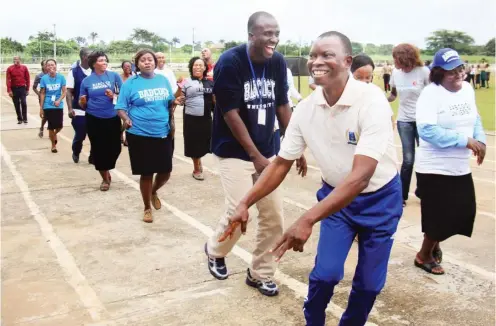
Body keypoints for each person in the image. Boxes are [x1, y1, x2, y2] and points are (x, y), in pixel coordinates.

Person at [221, 31, 401, 326]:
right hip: (336, 201)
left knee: (369, 285)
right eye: (313, 55)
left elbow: (359, 178)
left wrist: (306, 219)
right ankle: (313, 321)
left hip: (380, 199)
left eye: (326, 55)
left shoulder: (372, 101)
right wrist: (245, 202)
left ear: (347, 61)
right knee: (325, 275)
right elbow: (280, 164)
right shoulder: (305, 109)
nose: (317, 62)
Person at [204, 11, 306, 297]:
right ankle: (215, 250)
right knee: (239, 211)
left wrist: (293, 144)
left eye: (276, 33)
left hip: (269, 148)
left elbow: (283, 105)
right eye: (267, 33)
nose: (273, 38)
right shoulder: (230, 62)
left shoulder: (277, 61)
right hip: (235, 151)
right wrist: (255, 156)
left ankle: (260, 273)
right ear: (251, 35)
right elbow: (230, 113)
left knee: (274, 217)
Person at [414, 48, 486, 275]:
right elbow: (427, 131)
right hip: (434, 165)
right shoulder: (430, 94)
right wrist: (464, 140)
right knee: (439, 216)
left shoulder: (467, 89)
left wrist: (481, 141)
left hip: (459, 165)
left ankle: (433, 245)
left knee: (463, 211)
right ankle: (423, 255)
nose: (458, 75)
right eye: (450, 72)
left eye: (460, 69)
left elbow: (475, 117)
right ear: (438, 74)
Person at [116, 49, 184, 223]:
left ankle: (154, 191)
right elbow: (120, 107)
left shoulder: (162, 80)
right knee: (146, 173)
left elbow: (168, 101)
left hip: (162, 131)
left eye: (150, 59)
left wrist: (175, 101)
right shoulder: (130, 83)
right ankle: (147, 207)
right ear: (137, 64)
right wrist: (127, 119)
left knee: (165, 171)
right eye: (143, 60)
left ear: (155, 62)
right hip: (139, 133)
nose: (147, 62)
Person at [388, 43, 430, 206]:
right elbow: (393, 95)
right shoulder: (395, 73)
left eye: (396, 58)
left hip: (423, 121)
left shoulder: (424, 72)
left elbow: (433, 94)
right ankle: (401, 195)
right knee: (408, 160)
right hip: (404, 120)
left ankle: (423, 191)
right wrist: (381, 100)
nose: (394, 62)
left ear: (405, 58)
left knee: (424, 157)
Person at [79, 51, 123, 191]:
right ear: (93, 64)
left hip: (112, 116)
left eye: (105, 60)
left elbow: (124, 95)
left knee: (115, 147)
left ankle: (107, 167)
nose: (104, 63)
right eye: (101, 61)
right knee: (98, 149)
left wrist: (114, 96)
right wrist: (82, 102)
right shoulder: (87, 81)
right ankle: (104, 177)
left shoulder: (114, 76)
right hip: (94, 118)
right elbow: (82, 104)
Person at [182, 57, 215, 180]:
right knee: (193, 143)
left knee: (205, 143)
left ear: (205, 68)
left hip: (206, 118)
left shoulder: (211, 83)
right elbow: (178, 98)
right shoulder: (186, 82)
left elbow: (214, 101)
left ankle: (199, 160)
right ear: (191, 67)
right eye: (195, 65)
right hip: (191, 118)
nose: (198, 67)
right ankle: (196, 167)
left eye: (201, 65)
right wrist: (179, 98)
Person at [67, 48, 93, 164]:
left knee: (95, 135)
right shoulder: (74, 72)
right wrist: (70, 109)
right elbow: (69, 92)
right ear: (83, 57)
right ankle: (76, 151)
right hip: (79, 110)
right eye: (90, 55)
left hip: (94, 110)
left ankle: (93, 156)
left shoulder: (96, 71)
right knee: (80, 135)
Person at [39, 59, 67, 153]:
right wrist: (41, 108)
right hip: (48, 105)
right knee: (51, 126)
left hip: (58, 105)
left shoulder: (61, 77)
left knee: (59, 125)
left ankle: (54, 135)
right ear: (46, 67)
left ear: (56, 66)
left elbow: (64, 92)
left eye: (52, 64)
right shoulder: (44, 79)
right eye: (48, 65)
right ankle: (53, 145)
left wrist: (59, 100)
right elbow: (42, 93)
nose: (51, 67)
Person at [6, 56, 30, 124]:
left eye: (17, 59)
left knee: (24, 103)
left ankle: (25, 118)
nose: (15, 60)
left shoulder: (24, 68)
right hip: (14, 89)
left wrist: (27, 89)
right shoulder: (10, 68)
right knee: (16, 104)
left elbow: (27, 78)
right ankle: (19, 119)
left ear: (20, 60)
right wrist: (9, 90)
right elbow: (8, 80)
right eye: (14, 59)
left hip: (22, 88)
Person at [33, 60, 48, 138]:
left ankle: (51, 129)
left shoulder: (52, 75)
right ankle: (42, 128)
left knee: (52, 114)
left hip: (52, 98)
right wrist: (40, 95)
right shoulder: (39, 76)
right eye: (45, 64)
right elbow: (34, 88)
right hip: (43, 98)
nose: (47, 66)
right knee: (45, 115)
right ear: (42, 66)